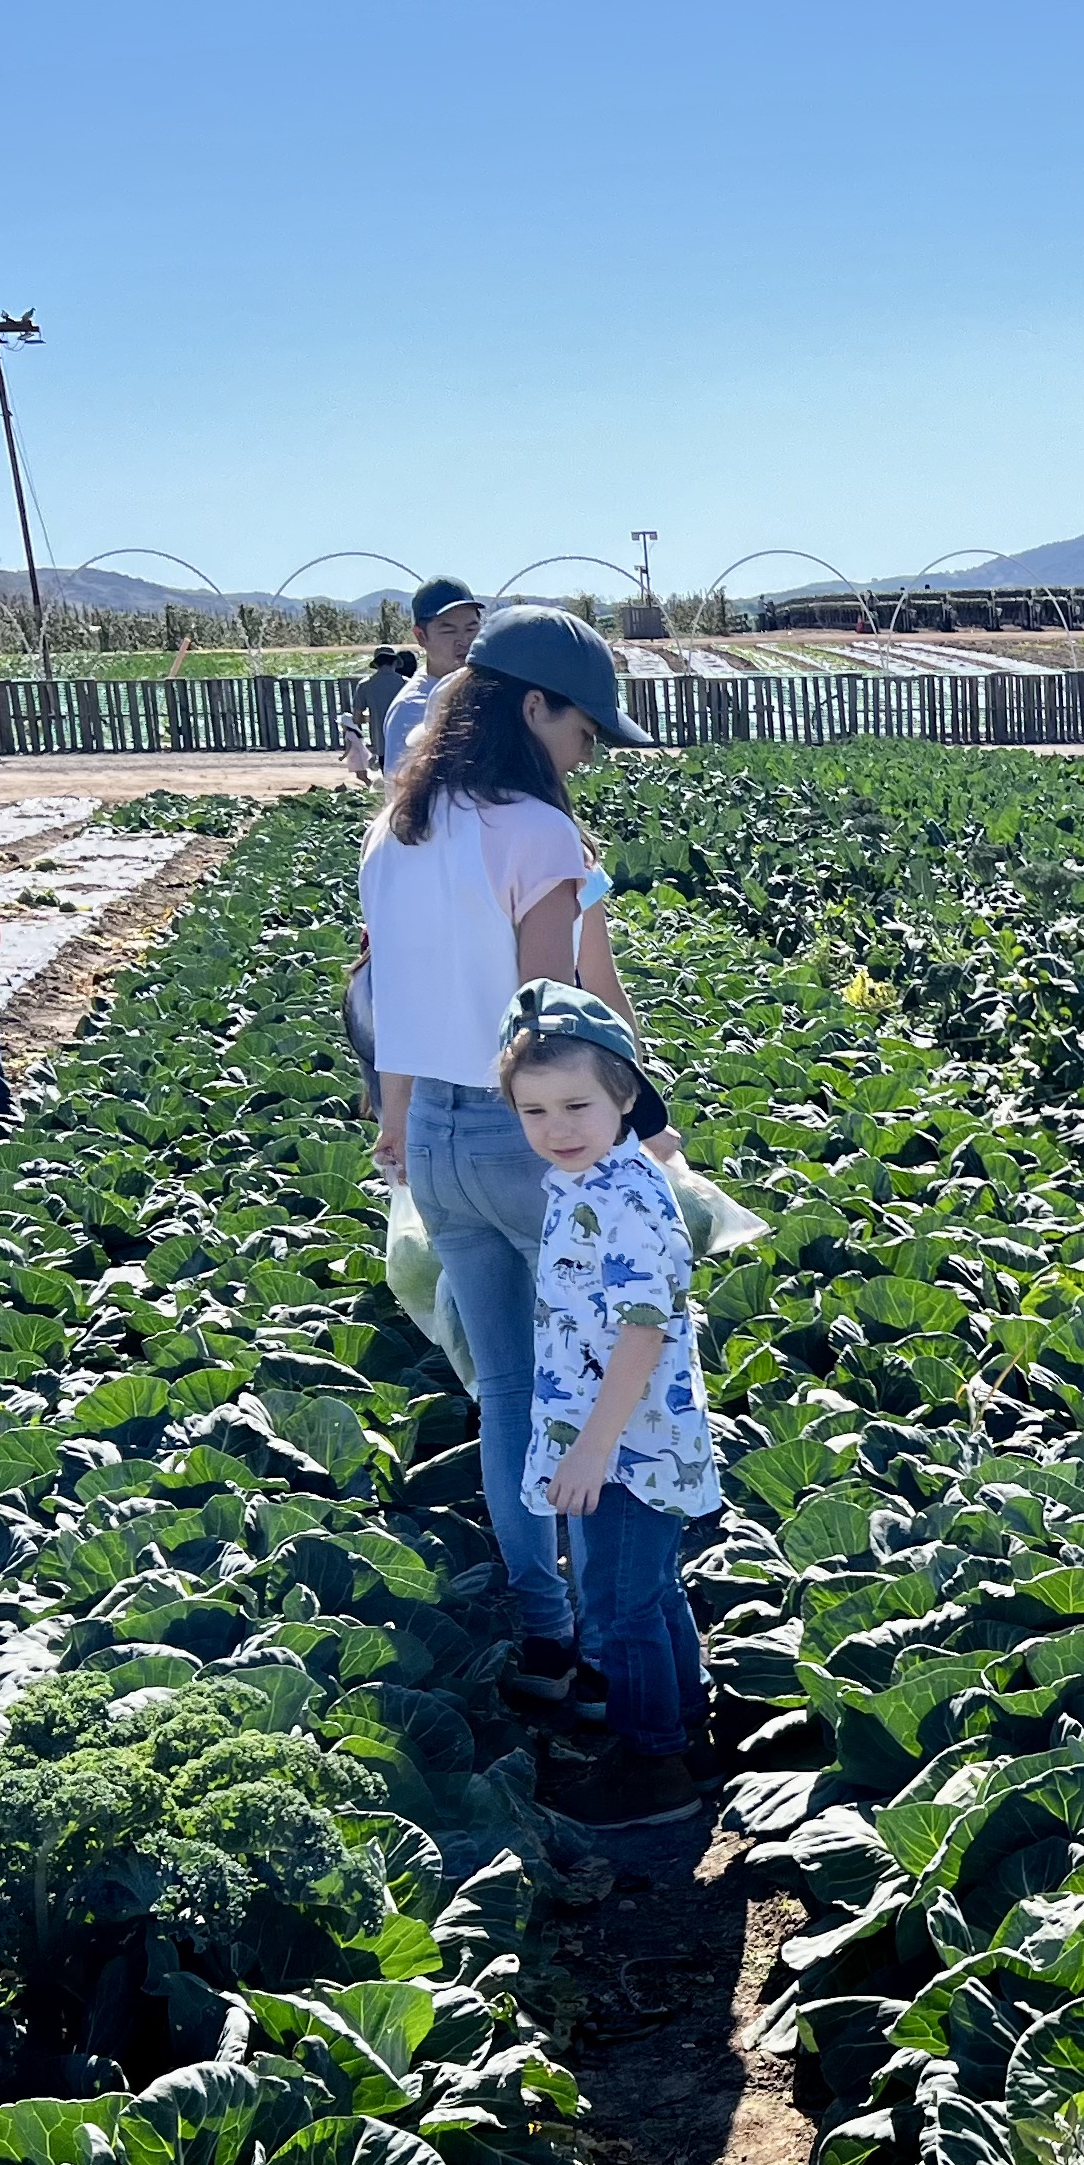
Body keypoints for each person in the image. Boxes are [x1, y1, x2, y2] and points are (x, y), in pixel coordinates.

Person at [361, 603, 663, 1723]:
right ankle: (615, 1643)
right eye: (582, 729)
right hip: (526, 1136)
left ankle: (546, 1625)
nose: (586, 753)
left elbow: (388, 997)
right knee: (603, 1383)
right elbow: (552, 1016)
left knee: (506, 1393)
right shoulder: (534, 830)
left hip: (438, 1142)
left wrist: (398, 1125)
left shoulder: (397, 828)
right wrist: (636, 1129)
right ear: (532, 708)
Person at [495, 979, 719, 1828]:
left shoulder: (621, 1196)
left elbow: (642, 1331)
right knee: (650, 1591)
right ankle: (685, 1729)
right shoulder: (588, 1179)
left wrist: (592, 1447)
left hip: (628, 1440)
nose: (556, 1127)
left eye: (576, 1104)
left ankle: (651, 1765)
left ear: (625, 1095)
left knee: (620, 1606)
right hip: (625, 1429)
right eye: (534, 1110)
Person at [383, 578, 484, 780]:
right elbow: (399, 790)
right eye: (449, 630)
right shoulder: (411, 708)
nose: (464, 641)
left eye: (471, 629)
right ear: (421, 636)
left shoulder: (482, 686)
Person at [347, 647, 413, 784]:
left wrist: (372, 718)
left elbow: (356, 718)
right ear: (395, 662)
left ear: (376, 664)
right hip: (405, 742)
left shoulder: (365, 685)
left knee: (389, 782)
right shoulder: (407, 684)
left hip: (381, 742)